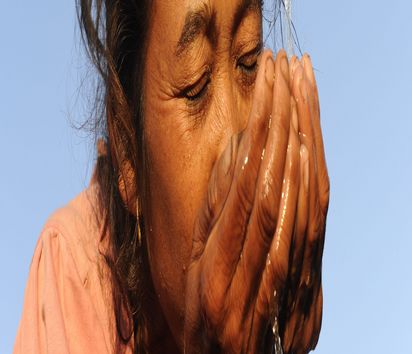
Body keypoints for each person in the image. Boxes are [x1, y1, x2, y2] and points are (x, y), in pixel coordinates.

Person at [14, 0, 329, 353]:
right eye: (195, 87)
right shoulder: (71, 267)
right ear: (129, 150)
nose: (233, 139)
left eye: (249, 60)